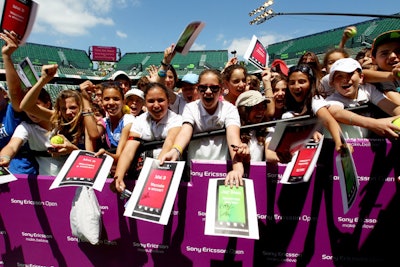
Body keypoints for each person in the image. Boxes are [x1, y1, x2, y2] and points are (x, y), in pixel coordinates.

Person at [160, 69, 250, 188]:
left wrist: (237, 169)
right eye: (203, 88)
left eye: (214, 88)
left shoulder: (229, 109)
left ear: (221, 90)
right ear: (197, 89)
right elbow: (185, 131)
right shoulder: (190, 108)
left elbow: (233, 138)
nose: (208, 92)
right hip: (194, 170)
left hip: (222, 169)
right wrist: (175, 150)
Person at [266, 64, 345, 164]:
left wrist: (339, 142)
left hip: (324, 159)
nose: (296, 86)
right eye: (292, 83)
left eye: (302, 82)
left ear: (310, 83)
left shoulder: (315, 100)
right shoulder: (288, 111)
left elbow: (329, 121)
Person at [113, 82, 182, 193]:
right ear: (145, 103)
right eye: (151, 101)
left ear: (168, 101)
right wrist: (119, 176)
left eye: (160, 100)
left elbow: (169, 144)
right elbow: (129, 150)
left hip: (166, 174)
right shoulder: (139, 120)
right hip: (144, 174)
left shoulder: (177, 119)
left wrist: (154, 180)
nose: (156, 105)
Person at [326, 57, 400, 139]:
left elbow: (392, 108)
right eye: (339, 76)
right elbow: (337, 113)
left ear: (361, 78)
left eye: (350, 74)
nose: (345, 79)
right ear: (332, 83)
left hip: (365, 144)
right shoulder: (332, 99)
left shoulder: (368, 90)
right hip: (341, 146)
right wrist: (374, 124)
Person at [235, 90, 270, 161]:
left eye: (263, 107)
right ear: (243, 111)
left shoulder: (267, 131)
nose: (261, 111)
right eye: (256, 107)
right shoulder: (234, 133)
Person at [370, 30, 400, 105]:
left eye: (398, 51)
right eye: (384, 53)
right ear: (374, 59)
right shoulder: (381, 79)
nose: (393, 56)